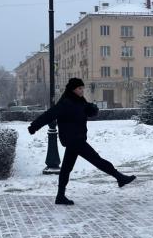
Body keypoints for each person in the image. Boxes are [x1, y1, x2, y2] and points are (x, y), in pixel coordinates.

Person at [28, 77, 136, 205]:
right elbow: (49, 115)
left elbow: (87, 112)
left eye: (82, 88)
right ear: (73, 89)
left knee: (66, 169)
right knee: (97, 159)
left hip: (76, 139)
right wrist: (34, 127)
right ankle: (119, 177)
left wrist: (92, 109)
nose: (82, 91)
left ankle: (60, 196)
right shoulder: (66, 103)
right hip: (74, 139)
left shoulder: (80, 101)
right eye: (79, 88)